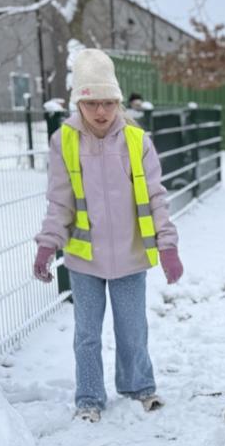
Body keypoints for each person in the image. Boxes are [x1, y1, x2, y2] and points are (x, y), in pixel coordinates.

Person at [32, 50, 182, 421]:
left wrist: (168, 245)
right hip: (84, 258)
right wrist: (47, 244)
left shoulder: (136, 141)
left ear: (118, 101)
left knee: (133, 330)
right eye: (92, 103)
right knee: (86, 334)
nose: (101, 112)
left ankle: (139, 386)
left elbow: (156, 197)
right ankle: (89, 398)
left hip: (130, 255)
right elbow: (59, 201)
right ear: (78, 103)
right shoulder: (64, 141)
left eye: (109, 103)